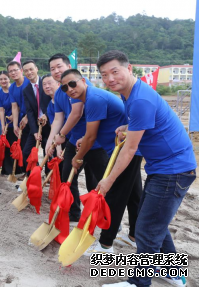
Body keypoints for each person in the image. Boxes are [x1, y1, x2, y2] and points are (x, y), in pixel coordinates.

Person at [97, 51, 196, 287]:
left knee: (146, 229)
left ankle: (138, 283)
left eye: (115, 71)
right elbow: (145, 123)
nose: (110, 78)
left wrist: (108, 181)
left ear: (128, 69)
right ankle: (174, 273)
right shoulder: (131, 93)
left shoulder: (139, 99)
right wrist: (128, 126)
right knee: (154, 221)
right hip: (163, 167)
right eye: (104, 75)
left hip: (173, 170)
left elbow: (129, 151)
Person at [60, 69, 143, 256]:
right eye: (65, 87)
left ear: (83, 80)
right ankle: (134, 236)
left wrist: (77, 157)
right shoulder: (91, 98)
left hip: (126, 150)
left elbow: (90, 137)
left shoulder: (94, 98)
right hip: (127, 146)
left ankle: (105, 245)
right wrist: (84, 139)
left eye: (73, 84)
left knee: (116, 194)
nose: (70, 89)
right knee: (133, 194)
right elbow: (92, 133)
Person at [44, 53, 107, 222]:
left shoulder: (78, 85)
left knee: (94, 181)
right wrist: (51, 139)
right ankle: (74, 214)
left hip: (94, 141)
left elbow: (76, 114)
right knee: (67, 178)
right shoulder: (59, 93)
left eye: (59, 66)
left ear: (68, 65)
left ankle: (101, 215)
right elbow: (58, 118)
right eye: (52, 68)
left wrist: (61, 135)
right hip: (75, 140)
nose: (56, 71)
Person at [22, 60, 51, 170]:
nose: (29, 72)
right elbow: (29, 111)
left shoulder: (46, 83)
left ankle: (49, 175)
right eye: (26, 71)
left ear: (36, 69)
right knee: (26, 152)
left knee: (47, 151)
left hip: (49, 123)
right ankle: (34, 174)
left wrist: (46, 115)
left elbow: (54, 103)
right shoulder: (26, 90)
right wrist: (34, 131)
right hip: (35, 125)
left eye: (31, 69)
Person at [8, 61, 29, 175]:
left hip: (34, 118)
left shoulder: (28, 82)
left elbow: (35, 103)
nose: (13, 73)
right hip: (23, 120)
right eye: (10, 71)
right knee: (25, 147)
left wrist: (27, 117)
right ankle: (27, 173)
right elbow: (14, 107)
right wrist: (15, 125)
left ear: (21, 70)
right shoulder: (12, 88)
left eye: (15, 70)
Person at [0, 70, 15, 176]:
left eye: (5, 78)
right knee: (7, 147)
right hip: (7, 123)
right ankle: (8, 170)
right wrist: (3, 126)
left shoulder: (14, 89)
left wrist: (14, 116)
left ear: (9, 79)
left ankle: (20, 170)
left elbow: (19, 105)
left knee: (17, 146)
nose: (3, 81)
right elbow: (1, 110)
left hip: (18, 122)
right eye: (1, 79)